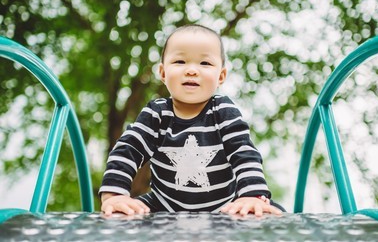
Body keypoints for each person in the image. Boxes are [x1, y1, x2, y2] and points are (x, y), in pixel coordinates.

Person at [99, 24, 283, 217]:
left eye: (205, 63)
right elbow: (128, 149)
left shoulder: (222, 110)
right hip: (162, 204)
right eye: (180, 61)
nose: (192, 70)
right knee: (123, 214)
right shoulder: (157, 114)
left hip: (224, 207)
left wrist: (251, 194)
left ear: (221, 76)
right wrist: (114, 193)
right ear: (163, 73)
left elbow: (243, 151)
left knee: (269, 212)